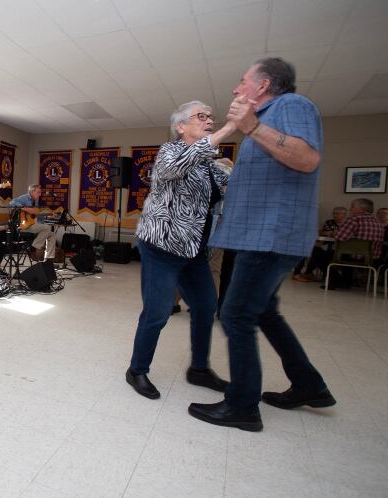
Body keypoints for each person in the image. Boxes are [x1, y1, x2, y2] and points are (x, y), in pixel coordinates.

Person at [189, 57, 335, 432]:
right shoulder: (266, 120)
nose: (237, 88)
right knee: (264, 311)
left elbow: (307, 159)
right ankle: (309, 384)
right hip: (261, 232)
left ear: (265, 85)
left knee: (236, 314)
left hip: (270, 234)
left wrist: (251, 126)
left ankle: (242, 406)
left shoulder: (291, 106)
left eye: (243, 82)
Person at [125, 100, 237, 400]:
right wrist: (229, 128)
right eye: (200, 116)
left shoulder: (211, 167)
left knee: (205, 306)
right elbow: (177, 166)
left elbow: (237, 189)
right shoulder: (169, 152)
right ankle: (137, 370)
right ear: (181, 127)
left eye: (211, 117)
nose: (209, 120)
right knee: (158, 311)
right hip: (161, 248)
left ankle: (199, 369)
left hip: (194, 252)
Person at [323, 198, 384, 289]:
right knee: (347, 254)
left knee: (320, 254)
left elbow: (340, 237)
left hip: (353, 256)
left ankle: (339, 281)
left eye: (352, 207)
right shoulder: (379, 222)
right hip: (372, 258)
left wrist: (332, 233)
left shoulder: (353, 219)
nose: (350, 209)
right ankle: (346, 282)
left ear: (361, 209)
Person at [292, 206, 348, 282]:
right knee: (309, 249)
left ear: (344, 215)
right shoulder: (330, 222)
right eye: (334, 213)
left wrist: (332, 233)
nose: (335, 215)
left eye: (337, 214)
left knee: (316, 253)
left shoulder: (348, 224)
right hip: (326, 245)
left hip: (341, 249)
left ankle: (308, 273)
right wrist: (327, 233)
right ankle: (304, 273)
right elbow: (323, 232)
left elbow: (340, 235)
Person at [9, 184, 57, 262]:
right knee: (47, 227)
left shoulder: (35, 202)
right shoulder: (25, 198)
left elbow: (36, 216)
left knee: (52, 235)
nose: (40, 195)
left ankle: (48, 258)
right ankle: (34, 247)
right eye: (38, 192)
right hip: (22, 225)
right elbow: (12, 202)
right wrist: (27, 209)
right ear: (32, 191)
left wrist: (48, 216)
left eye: (40, 193)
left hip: (30, 225)